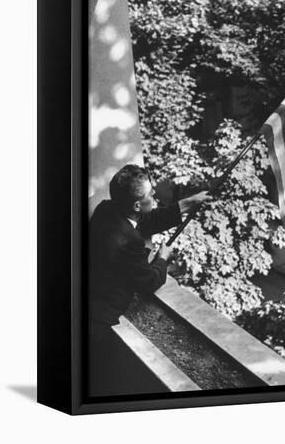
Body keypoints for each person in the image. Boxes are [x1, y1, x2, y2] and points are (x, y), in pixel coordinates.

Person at [88, 163, 210, 396]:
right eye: (151, 193)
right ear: (136, 204)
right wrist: (163, 258)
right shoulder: (129, 242)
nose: (155, 195)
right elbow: (149, 281)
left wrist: (188, 203)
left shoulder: (107, 210)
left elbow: (147, 219)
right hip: (98, 323)